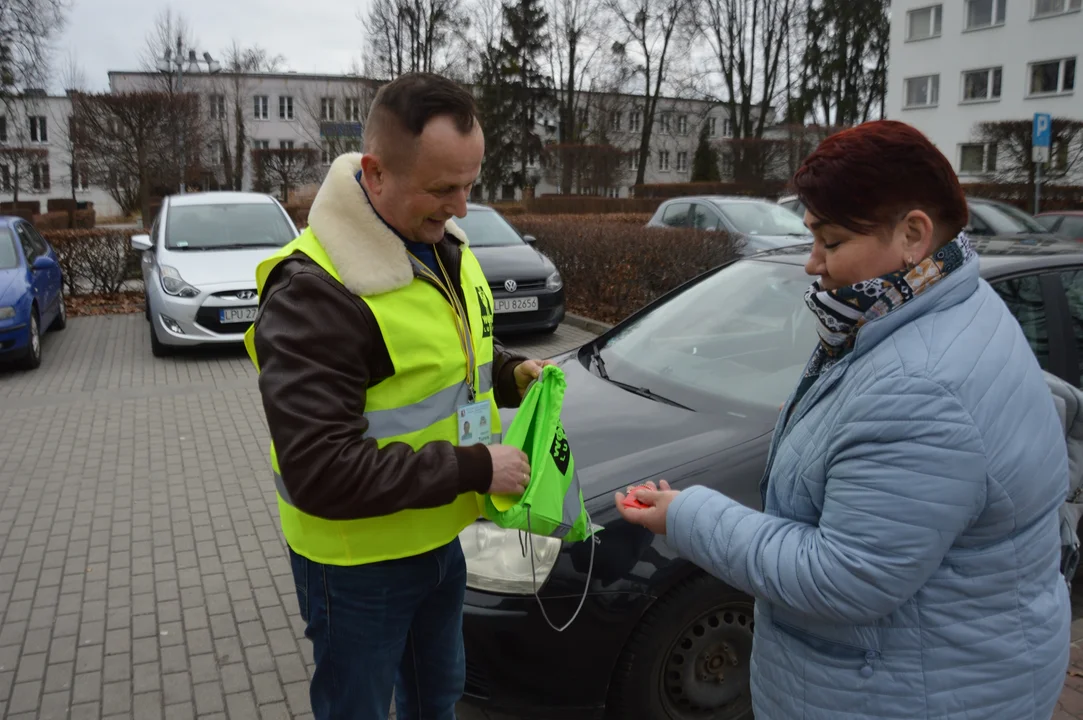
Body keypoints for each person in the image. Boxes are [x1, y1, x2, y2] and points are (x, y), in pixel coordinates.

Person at [616, 120, 1071, 719]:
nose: (813, 264)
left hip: (903, 695)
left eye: (830, 243)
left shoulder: (920, 382)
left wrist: (688, 515)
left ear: (913, 233)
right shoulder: (943, 304)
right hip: (943, 673)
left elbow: (845, 576)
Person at [244, 72, 551, 720]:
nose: (462, 207)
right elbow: (319, 470)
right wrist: (476, 467)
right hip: (358, 563)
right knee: (357, 709)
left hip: (438, 538)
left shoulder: (439, 243)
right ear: (376, 174)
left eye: (471, 183)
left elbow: (446, 359)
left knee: (436, 696)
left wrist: (508, 373)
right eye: (444, 188)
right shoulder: (314, 291)